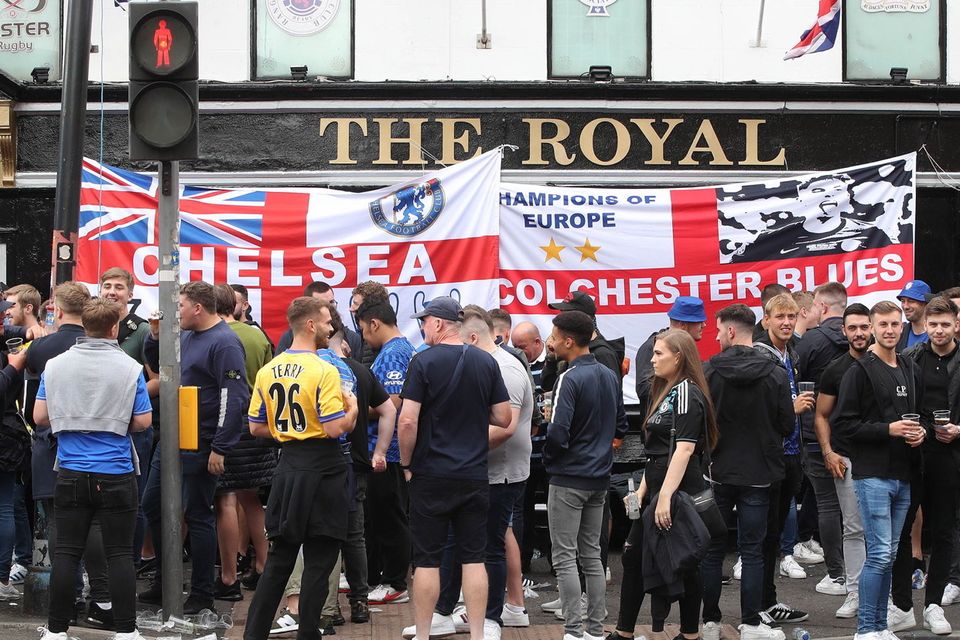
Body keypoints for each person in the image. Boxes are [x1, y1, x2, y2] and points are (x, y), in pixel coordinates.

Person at [34, 297, 152, 640]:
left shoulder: (55, 365)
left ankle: (56, 630)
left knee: (67, 553)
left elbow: (39, 417)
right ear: (114, 327)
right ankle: (126, 632)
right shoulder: (129, 368)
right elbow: (143, 421)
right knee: (118, 554)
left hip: (70, 472)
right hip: (116, 473)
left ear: (83, 327)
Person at [243, 296, 359, 640]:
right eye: (326, 321)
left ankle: (254, 635)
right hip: (324, 467)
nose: (330, 327)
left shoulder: (269, 369)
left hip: (289, 466)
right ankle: (308, 633)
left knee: (279, 561)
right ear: (310, 325)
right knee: (320, 563)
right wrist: (351, 409)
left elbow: (254, 426)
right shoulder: (324, 369)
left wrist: (287, 434)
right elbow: (337, 428)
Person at [397, 296, 511, 640]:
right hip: (473, 474)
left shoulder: (422, 362)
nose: (421, 327)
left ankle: (424, 634)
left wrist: (406, 464)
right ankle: (477, 634)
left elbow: (406, 421)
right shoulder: (485, 362)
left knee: (428, 561)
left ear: (439, 323)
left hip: (430, 474)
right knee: (474, 559)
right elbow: (504, 418)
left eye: (425, 321)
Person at [140, 281, 249, 614]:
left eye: (181, 305)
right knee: (153, 504)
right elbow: (161, 367)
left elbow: (236, 396)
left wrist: (220, 446)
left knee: (199, 515)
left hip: (201, 441)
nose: (177, 312)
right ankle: (167, 579)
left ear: (198, 308)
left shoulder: (225, 342)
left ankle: (202, 594)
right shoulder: (185, 335)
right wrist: (156, 335)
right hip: (172, 437)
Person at [615, 329, 718, 640]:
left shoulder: (687, 392)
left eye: (659, 353)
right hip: (659, 491)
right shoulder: (669, 390)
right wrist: (644, 491)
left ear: (679, 356)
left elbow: (684, 449)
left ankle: (689, 635)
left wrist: (664, 497)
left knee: (683, 560)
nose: (652, 359)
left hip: (677, 493)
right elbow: (661, 452)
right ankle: (624, 632)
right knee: (634, 557)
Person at [699, 304, 793, 640]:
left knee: (712, 549)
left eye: (718, 329)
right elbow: (787, 424)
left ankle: (709, 622)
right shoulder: (776, 373)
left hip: (718, 471)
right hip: (760, 473)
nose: (715, 335)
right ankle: (751, 623)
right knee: (752, 551)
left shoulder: (708, 371)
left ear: (731, 331)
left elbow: (699, 422)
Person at [833, 300, 923, 640]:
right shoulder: (859, 371)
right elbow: (843, 427)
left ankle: (880, 626)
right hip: (872, 475)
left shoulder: (910, 367)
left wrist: (921, 431)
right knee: (880, 553)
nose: (889, 330)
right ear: (872, 327)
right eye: (882, 324)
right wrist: (889, 429)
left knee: (890, 554)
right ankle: (866, 628)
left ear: (902, 328)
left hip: (904, 473)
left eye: (895, 324)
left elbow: (919, 415)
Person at [543, 310, 627, 640]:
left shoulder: (569, 377)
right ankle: (592, 630)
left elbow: (557, 431)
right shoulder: (607, 374)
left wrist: (553, 460)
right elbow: (621, 424)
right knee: (593, 556)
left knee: (564, 558)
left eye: (554, 336)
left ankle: (574, 631)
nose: (551, 341)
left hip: (568, 477)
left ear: (568, 340)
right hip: (599, 477)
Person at [900, 296, 960, 635]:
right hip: (912, 453)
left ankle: (934, 605)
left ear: (955, 324)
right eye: (933, 325)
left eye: (944, 324)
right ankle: (902, 605)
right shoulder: (911, 358)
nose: (938, 330)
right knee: (903, 528)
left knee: (944, 530)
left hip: (950, 455)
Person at [211, 284, 275, 600]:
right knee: (252, 499)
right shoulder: (257, 336)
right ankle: (263, 564)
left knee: (225, 499)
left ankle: (230, 571)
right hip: (256, 422)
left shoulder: (215, 337)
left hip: (228, 424)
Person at [753, 294, 814, 622]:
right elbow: (754, 414)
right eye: (780, 317)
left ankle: (770, 602)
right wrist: (790, 409)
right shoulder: (760, 359)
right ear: (766, 320)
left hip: (792, 455)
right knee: (763, 537)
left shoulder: (792, 354)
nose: (787, 322)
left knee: (775, 537)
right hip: (769, 459)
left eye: (792, 316)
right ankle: (758, 609)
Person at [813, 303, 871, 620]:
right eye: (853, 328)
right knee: (852, 528)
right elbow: (820, 416)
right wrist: (828, 452)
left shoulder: (890, 363)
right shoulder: (835, 370)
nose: (859, 333)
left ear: (872, 328)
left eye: (864, 326)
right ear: (844, 330)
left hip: (883, 461)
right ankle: (854, 593)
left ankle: (883, 597)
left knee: (883, 531)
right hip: (846, 459)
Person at [99, 267, 158, 577]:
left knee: (132, 500)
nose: (112, 291)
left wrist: (123, 400)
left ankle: (131, 566)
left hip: (132, 426)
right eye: (106, 285)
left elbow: (158, 379)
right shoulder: (91, 327)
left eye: (118, 287)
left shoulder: (142, 330)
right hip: (98, 427)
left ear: (130, 294)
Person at [354, 296, 412, 605]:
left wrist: (356, 409)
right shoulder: (398, 350)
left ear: (375, 323)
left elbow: (393, 403)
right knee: (377, 517)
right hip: (384, 448)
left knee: (389, 517)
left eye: (364, 329)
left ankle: (395, 581)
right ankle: (378, 576)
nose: (363, 336)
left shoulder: (392, 354)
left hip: (386, 450)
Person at [793, 282, 849, 586]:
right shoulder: (861, 337)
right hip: (852, 434)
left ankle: (837, 574)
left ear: (823, 307)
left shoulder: (811, 341)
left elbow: (794, 378)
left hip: (816, 434)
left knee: (828, 504)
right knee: (851, 508)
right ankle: (853, 573)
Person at [511, 321, 551, 573]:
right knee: (521, 510)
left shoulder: (552, 366)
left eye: (522, 347)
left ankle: (556, 561)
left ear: (538, 343)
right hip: (523, 454)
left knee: (553, 511)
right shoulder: (515, 367)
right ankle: (521, 560)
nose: (518, 351)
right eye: (514, 346)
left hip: (547, 453)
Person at [634, 296, 707, 413]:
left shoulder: (687, 348)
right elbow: (643, 391)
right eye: (699, 321)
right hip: (660, 425)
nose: (704, 325)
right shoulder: (651, 347)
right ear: (683, 325)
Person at [276, 282, 362, 358]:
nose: (329, 308)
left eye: (331, 302)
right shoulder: (290, 338)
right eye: (322, 304)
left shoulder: (352, 338)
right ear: (308, 306)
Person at [896, 280, 931, 351]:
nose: (905, 306)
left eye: (911, 301)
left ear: (926, 303)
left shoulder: (938, 333)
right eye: (903, 301)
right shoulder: (899, 334)